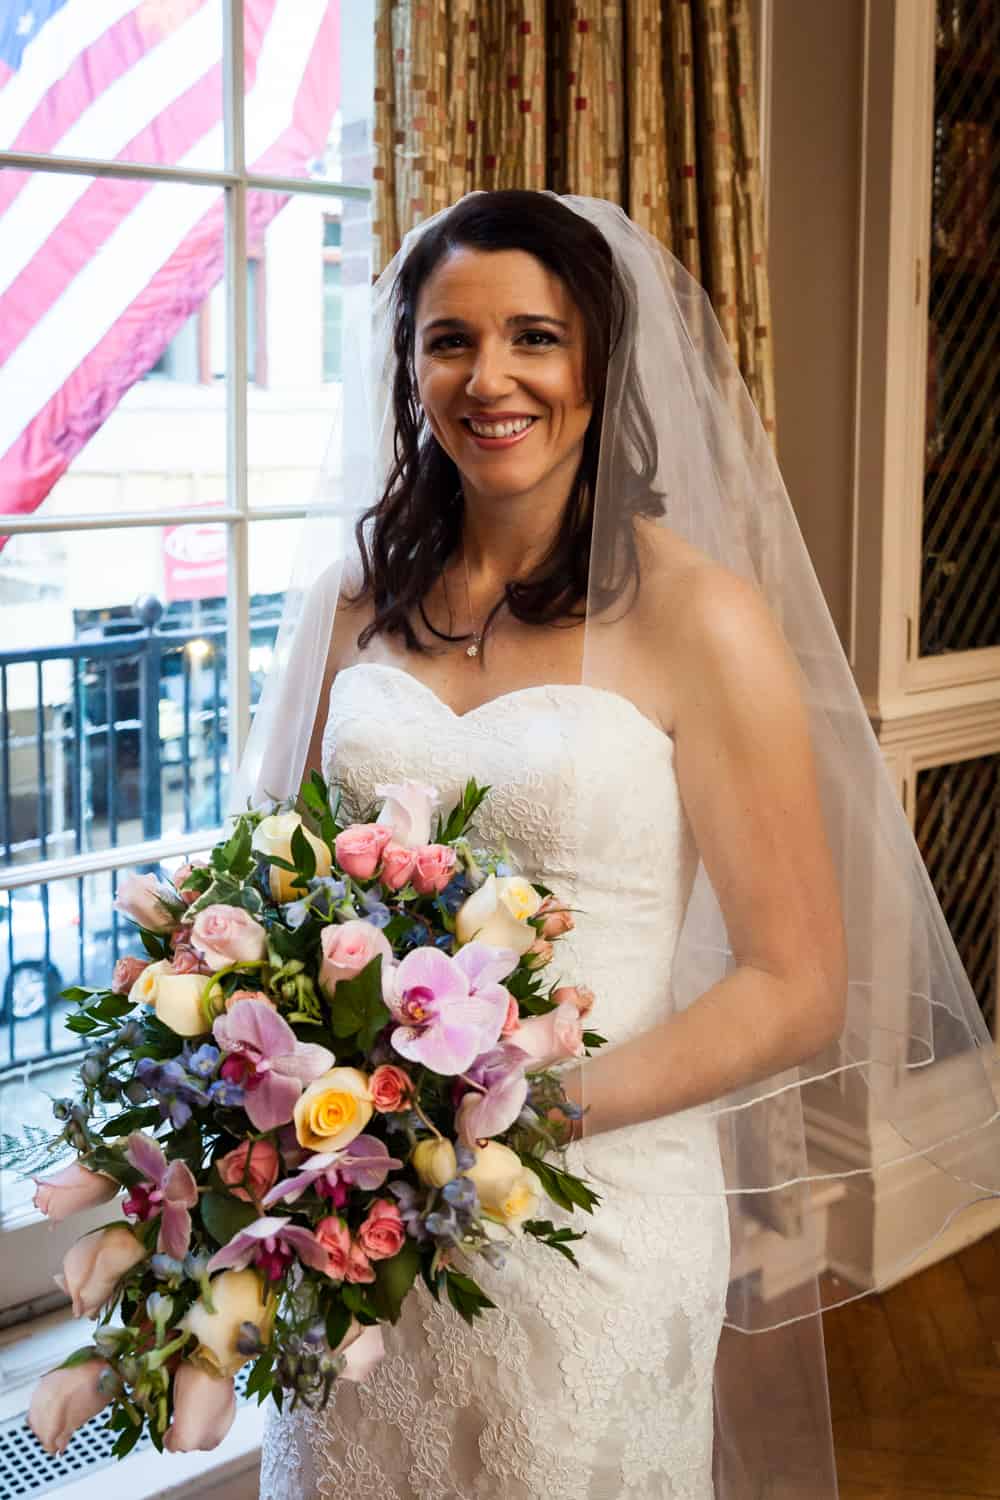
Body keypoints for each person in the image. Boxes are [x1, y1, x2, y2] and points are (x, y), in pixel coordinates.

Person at [249, 191, 998, 1498]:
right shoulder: (351, 599)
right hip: (359, 1204)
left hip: (583, 1221)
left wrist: (521, 1112)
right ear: (408, 363)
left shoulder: (700, 619)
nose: (489, 378)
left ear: (598, 362)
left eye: (533, 337)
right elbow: (275, 890)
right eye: (449, 340)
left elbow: (795, 982)